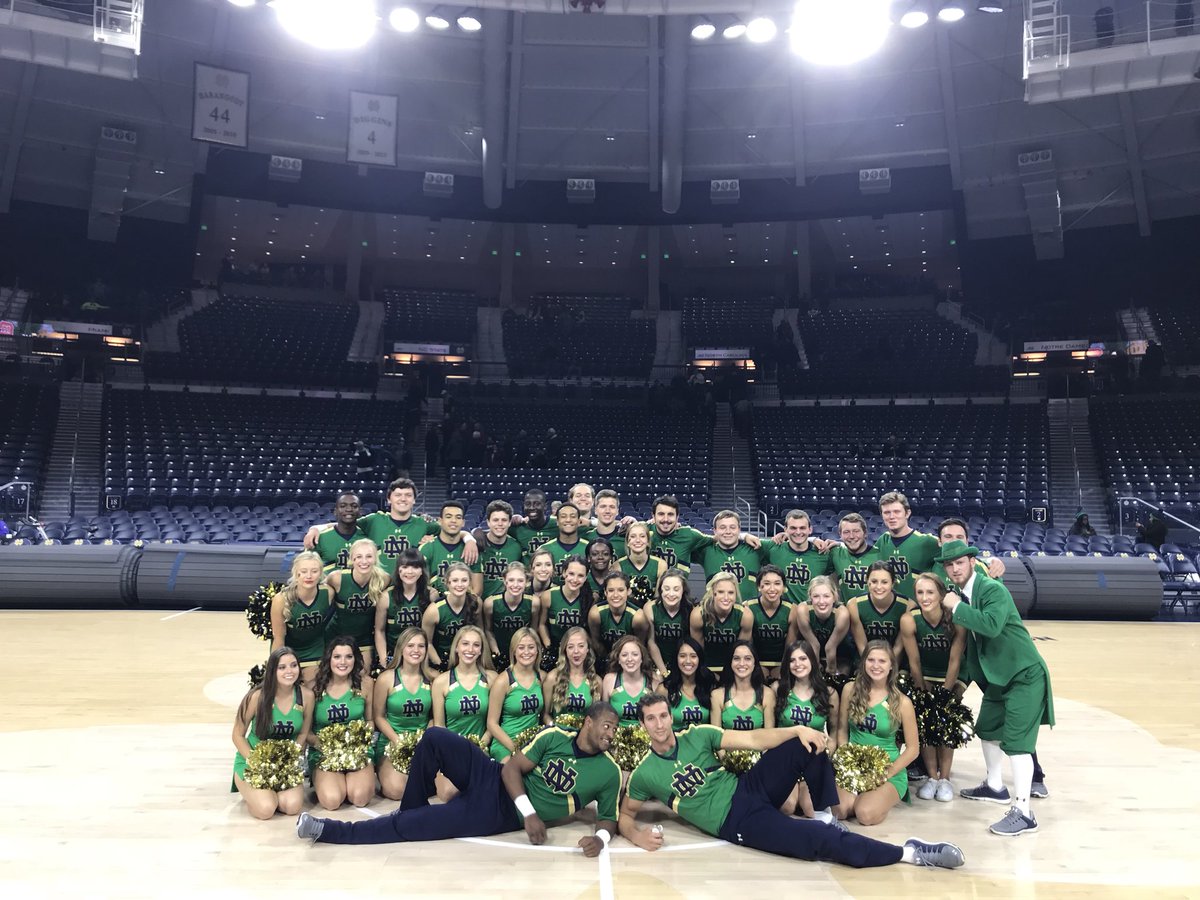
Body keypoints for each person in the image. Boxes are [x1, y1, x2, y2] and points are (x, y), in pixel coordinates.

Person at [620, 694, 964, 870]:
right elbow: (625, 815)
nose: (659, 724)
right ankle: (911, 853)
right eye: (651, 719)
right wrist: (636, 835)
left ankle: (825, 814)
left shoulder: (697, 734)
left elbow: (754, 739)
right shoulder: (644, 774)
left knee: (806, 743)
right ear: (643, 725)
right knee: (818, 843)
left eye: (663, 715)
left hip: (748, 787)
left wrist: (799, 729)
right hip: (737, 822)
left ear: (670, 716)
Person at [299, 703, 623, 855]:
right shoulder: (554, 736)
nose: (611, 733)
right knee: (435, 737)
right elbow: (511, 770)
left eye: (615, 728)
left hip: (497, 813)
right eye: (606, 725)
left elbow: (609, 818)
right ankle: (411, 810)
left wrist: (600, 839)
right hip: (494, 776)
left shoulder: (609, 771)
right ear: (588, 722)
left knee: (410, 826)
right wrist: (530, 813)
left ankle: (327, 830)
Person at [936, 539, 1055, 836]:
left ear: (972, 562)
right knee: (987, 729)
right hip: (999, 678)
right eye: (949, 565)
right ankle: (994, 785)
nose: (954, 569)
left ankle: (1024, 813)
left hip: (1023, 674)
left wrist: (956, 607)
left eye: (959, 563)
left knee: (1017, 744)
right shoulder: (965, 593)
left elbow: (990, 626)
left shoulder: (991, 589)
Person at [304, 477, 477, 578]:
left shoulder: (422, 524)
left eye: (408, 495)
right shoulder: (374, 520)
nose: (403, 499)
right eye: (398, 495)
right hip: (376, 585)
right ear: (389, 499)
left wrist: (469, 539)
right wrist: (315, 528)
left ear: (414, 500)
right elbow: (346, 521)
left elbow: (452, 529)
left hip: (408, 585)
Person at [835, 640, 919, 826]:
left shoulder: (902, 702)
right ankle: (862, 796)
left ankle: (877, 798)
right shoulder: (850, 690)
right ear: (863, 662)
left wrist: (887, 773)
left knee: (864, 814)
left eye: (882, 661)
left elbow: (913, 749)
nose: (876, 666)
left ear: (891, 666)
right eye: (871, 660)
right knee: (839, 810)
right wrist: (846, 762)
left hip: (887, 769)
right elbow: (841, 729)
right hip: (854, 766)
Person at [901, 572, 967, 803]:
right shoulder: (909, 619)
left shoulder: (956, 618)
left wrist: (944, 695)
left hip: (952, 675)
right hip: (925, 674)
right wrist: (922, 691)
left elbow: (955, 661)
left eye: (930, 592)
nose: (924, 597)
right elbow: (914, 661)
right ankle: (931, 777)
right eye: (920, 592)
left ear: (941, 595)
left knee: (945, 720)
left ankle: (945, 779)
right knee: (925, 720)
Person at [231, 646, 314, 819]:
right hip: (253, 763)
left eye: (293, 665)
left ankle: (264, 793)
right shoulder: (256, 696)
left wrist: (290, 759)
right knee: (267, 809)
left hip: (284, 765)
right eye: (282, 667)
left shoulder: (306, 696)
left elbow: (303, 734)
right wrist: (257, 763)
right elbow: (237, 735)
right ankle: (251, 792)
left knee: (292, 806)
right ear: (272, 671)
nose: (289, 671)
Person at [308, 637, 376, 811]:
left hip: (357, 751)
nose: (343, 662)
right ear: (328, 659)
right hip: (325, 753)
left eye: (349, 656)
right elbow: (306, 731)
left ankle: (352, 780)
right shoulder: (313, 687)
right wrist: (325, 747)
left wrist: (359, 742)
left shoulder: (366, 684)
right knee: (332, 801)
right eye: (337, 657)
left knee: (359, 797)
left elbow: (370, 720)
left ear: (356, 659)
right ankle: (331, 781)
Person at [431, 625, 497, 801]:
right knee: (448, 794)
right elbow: (439, 726)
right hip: (452, 750)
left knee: (487, 791)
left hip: (482, 747)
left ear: (481, 650)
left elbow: (494, 722)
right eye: (465, 644)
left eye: (476, 645)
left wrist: (480, 746)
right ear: (457, 648)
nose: (470, 649)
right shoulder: (441, 682)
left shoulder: (491, 678)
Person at [776, 641, 839, 817]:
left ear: (812, 660)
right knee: (787, 806)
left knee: (812, 809)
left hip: (812, 759)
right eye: (792, 660)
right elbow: (770, 729)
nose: (798, 664)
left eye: (803, 658)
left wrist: (827, 752)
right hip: (785, 758)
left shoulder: (829, 693)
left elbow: (834, 731)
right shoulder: (779, 690)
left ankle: (803, 793)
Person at [373, 627, 435, 800]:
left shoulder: (433, 678)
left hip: (423, 743)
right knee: (397, 791)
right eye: (410, 645)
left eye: (421, 646)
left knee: (439, 786)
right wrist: (397, 740)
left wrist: (424, 739)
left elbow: (434, 717)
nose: (416, 650)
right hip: (392, 742)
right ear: (401, 648)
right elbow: (378, 717)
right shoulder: (386, 678)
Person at [269, 550, 333, 687]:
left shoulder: (328, 593)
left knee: (312, 687)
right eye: (303, 571)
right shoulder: (281, 599)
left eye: (314, 571)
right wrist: (275, 666)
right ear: (296, 573)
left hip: (315, 650)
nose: (309, 576)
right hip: (289, 651)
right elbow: (279, 638)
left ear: (320, 573)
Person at [325, 539, 389, 674]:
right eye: (359, 557)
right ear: (352, 559)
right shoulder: (337, 578)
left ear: (375, 559)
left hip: (364, 639)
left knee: (363, 676)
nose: (364, 561)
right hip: (336, 635)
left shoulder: (384, 579)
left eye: (369, 556)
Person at [487, 628, 545, 761]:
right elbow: (492, 723)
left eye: (531, 647)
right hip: (506, 743)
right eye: (521, 647)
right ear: (514, 651)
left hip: (532, 744)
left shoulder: (542, 677)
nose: (526, 652)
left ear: (537, 650)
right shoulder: (503, 681)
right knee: (513, 769)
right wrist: (515, 748)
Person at [871, 492, 941, 600]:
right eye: (887, 512)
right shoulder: (883, 541)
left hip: (918, 607)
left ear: (907, 513)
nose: (892, 517)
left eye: (897, 511)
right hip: (890, 607)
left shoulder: (927, 542)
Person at [374, 548, 437, 667]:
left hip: (420, 655)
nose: (410, 571)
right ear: (398, 570)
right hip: (394, 655)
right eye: (405, 567)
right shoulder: (386, 597)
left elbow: (431, 636)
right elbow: (379, 630)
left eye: (415, 567)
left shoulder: (431, 595)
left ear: (422, 571)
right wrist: (384, 660)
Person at [760, 509, 833, 604]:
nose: (798, 532)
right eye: (793, 528)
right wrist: (744, 536)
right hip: (782, 610)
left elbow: (847, 548)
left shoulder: (823, 552)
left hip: (812, 610)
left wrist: (813, 539)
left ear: (810, 529)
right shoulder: (773, 548)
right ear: (785, 529)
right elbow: (744, 539)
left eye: (802, 528)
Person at [690, 571, 754, 677]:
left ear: (736, 594)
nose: (726, 597)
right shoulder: (698, 615)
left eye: (731, 593)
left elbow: (741, 652)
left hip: (734, 668)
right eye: (720, 592)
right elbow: (697, 651)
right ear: (713, 593)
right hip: (706, 667)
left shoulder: (745, 615)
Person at [847, 561, 912, 664]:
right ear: (867, 581)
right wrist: (872, 667)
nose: (879, 587)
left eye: (884, 582)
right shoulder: (854, 605)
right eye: (874, 581)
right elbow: (862, 646)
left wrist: (889, 668)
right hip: (865, 662)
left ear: (893, 583)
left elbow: (899, 647)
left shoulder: (908, 606)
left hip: (896, 663)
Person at [422, 561, 482, 671]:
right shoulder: (434, 611)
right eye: (455, 580)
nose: (460, 585)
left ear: (469, 582)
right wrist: (441, 666)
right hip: (442, 660)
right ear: (447, 582)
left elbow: (480, 635)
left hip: (470, 658)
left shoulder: (476, 602)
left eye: (464, 580)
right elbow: (427, 643)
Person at [789, 574, 851, 676]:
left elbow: (830, 647)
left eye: (826, 596)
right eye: (816, 596)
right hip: (811, 652)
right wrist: (815, 673)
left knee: (840, 677)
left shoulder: (841, 613)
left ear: (834, 597)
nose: (821, 602)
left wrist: (831, 673)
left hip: (839, 654)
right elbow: (814, 645)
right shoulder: (803, 610)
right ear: (810, 597)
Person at [419, 500, 484, 597]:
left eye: (458, 517)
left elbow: (477, 591)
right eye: (448, 517)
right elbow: (421, 586)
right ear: (440, 521)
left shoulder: (472, 550)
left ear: (463, 522)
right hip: (434, 602)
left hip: (464, 602)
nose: (453, 520)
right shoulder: (427, 548)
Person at [483, 561, 540, 669]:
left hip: (523, 653)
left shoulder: (534, 602)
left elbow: (533, 630)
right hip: (498, 652)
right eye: (511, 580)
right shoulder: (490, 603)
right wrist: (497, 654)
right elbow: (488, 630)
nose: (515, 585)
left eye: (520, 581)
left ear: (527, 582)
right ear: (505, 581)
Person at [541, 626, 603, 725]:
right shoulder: (553, 678)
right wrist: (554, 728)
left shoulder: (597, 682)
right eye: (570, 647)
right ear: (565, 650)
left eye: (581, 646)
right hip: (559, 732)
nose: (576, 651)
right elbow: (545, 715)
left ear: (587, 649)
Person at [537, 555, 590, 666]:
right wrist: (549, 648)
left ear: (586, 577)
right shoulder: (548, 596)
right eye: (571, 574)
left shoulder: (590, 599)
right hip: (554, 650)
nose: (575, 579)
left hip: (578, 653)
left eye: (580, 575)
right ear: (564, 573)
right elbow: (542, 624)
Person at [711, 640, 775, 731]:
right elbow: (716, 737)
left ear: (754, 663)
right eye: (736, 658)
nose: (741, 663)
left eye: (747, 658)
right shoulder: (717, 695)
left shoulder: (767, 694)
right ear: (730, 663)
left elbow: (770, 735)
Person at [637, 570, 691, 677]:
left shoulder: (690, 610)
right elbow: (651, 642)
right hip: (657, 664)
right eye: (666, 589)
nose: (671, 594)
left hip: (682, 664)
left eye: (676, 589)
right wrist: (664, 672)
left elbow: (691, 645)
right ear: (660, 589)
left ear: (683, 590)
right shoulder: (650, 608)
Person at [699, 510, 763, 601]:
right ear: (715, 531)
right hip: (716, 609)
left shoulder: (755, 547)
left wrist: (783, 534)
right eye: (722, 527)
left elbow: (780, 544)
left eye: (732, 527)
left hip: (749, 609)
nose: (728, 531)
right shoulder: (706, 551)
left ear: (739, 529)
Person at [746, 564, 792, 682]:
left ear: (783, 587)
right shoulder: (748, 607)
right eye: (767, 584)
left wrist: (784, 669)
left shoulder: (792, 609)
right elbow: (747, 645)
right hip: (756, 661)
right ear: (759, 587)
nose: (772, 589)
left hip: (781, 661)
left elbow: (789, 647)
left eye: (777, 583)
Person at [602, 634, 661, 727]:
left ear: (642, 658)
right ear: (618, 659)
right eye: (624, 655)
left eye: (635, 654)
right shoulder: (609, 680)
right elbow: (604, 718)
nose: (630, 659)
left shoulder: (654, 681)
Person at [663, 637, 715, 731]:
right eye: (682, 656)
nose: (688, 661)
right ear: (676, 659)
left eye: (693, 656)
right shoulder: (665, 689)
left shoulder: (710, 686)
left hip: (704, 740)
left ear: (699, 659)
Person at [827, 513, 883, 600]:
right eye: (846, 532)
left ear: (865, 533)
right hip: (846, 608)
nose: (852, 536)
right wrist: (813, 539)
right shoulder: (835, 553)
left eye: (856, 531)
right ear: (840, 535)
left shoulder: (880, 555)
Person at [477, 500, 524, 600]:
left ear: (510, 522)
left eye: (504, 520)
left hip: (505, 603)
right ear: (488, 522)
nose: (500, 524)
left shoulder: (516, 547)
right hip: (480, 601)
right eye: (495, 520)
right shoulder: (476, 543)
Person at [588, 571, 637, 664]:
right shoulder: (595, 613)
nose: (615, 595)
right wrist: (609, 662)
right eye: (611, 590)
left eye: (621, 590)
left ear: (628, 591)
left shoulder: (638, 617)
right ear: (605, 592)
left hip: (630, 660)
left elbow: (639, 646)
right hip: (603, 659)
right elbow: (595, 641)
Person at [309, 492, 366, 570]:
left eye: (354, 506)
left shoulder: (366, 537)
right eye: (343, 506)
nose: (349, 509)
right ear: (335, 511)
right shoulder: (319, 538)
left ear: (360, 511)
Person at [619, 521, 668, 611]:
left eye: (642, 536)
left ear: (648, 541)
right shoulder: (618, 566)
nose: (638, 540)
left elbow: (658, 599)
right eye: (633, 536)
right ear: (627, 542)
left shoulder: (660, 565)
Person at [538, 502, 589, 581]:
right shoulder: (544, 549)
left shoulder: (589, 548)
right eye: (563, 516)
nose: (568, 520)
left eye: (573, 516)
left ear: (579, 521)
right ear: (557, 521)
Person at [582, 488, 627, 558]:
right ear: (595, 510)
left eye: (612, 507)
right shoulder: (586, 537)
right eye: (603, 506)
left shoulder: (627, 538)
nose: (607, 511)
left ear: (617, 511)